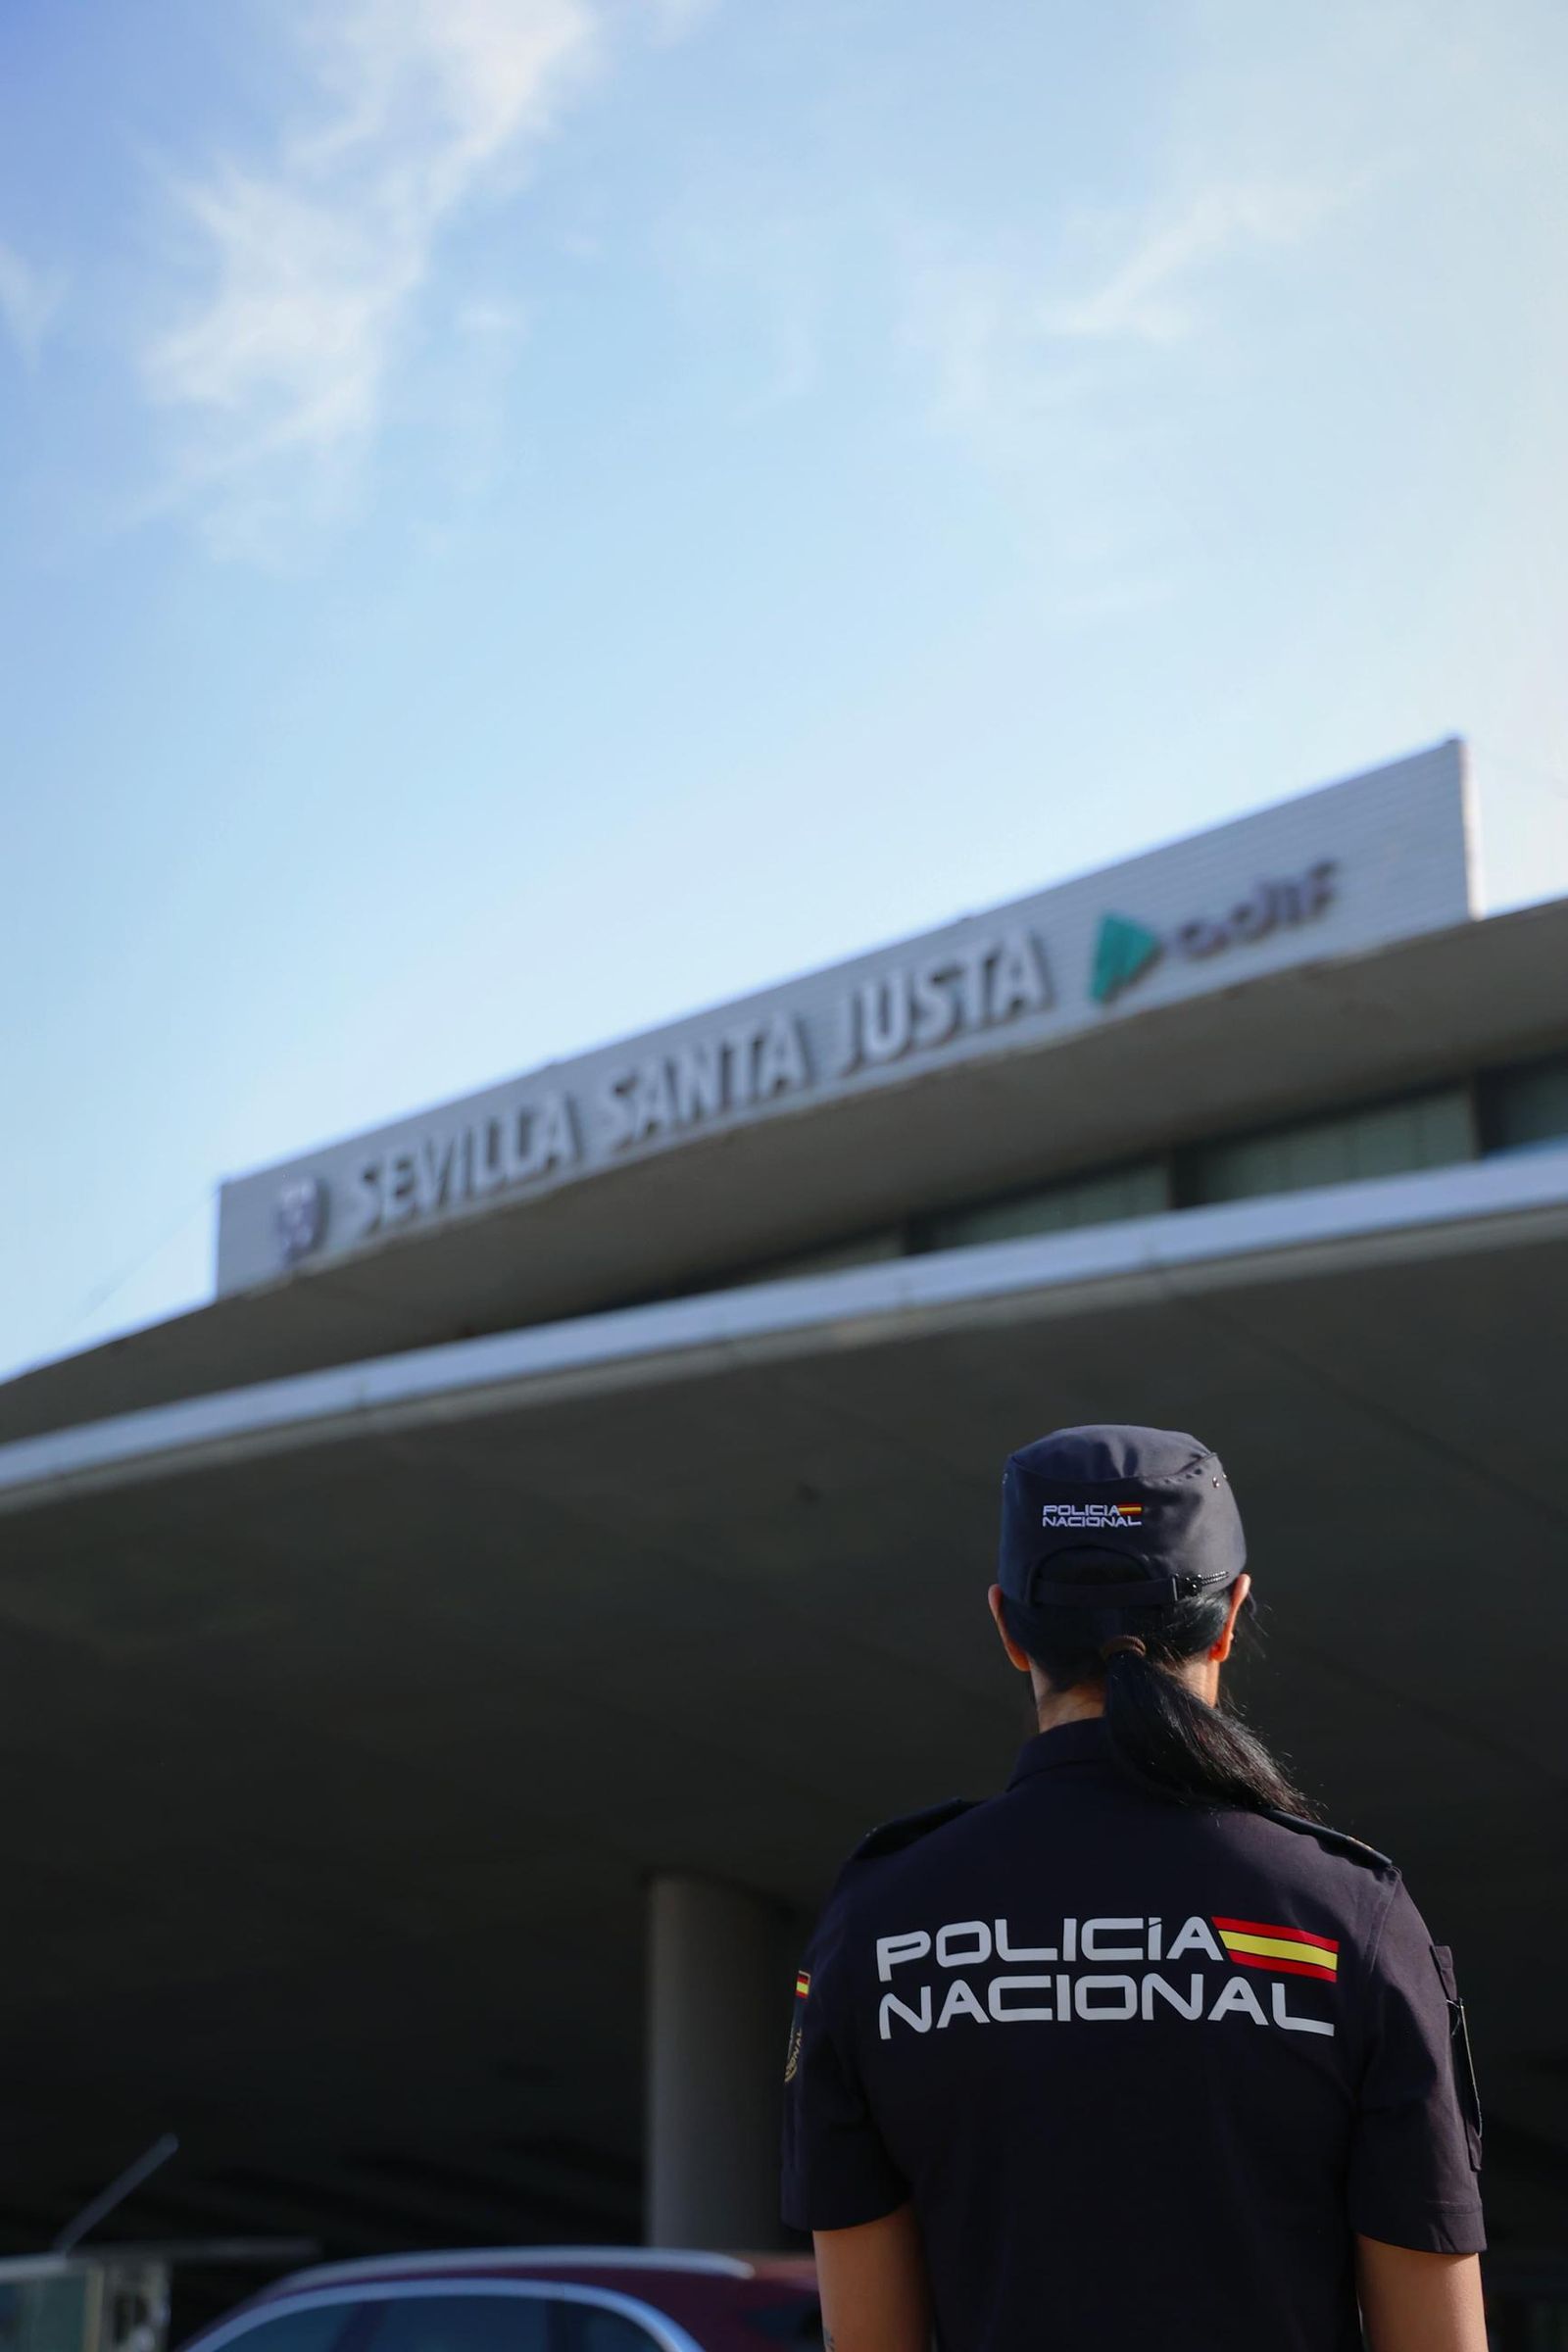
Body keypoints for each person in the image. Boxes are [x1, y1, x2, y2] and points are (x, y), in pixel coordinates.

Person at [781, 1425, 1486, 2352]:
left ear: (1007, 1627)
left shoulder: (880, 1924)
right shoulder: (1344, 1916)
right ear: (1230, 1618)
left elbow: (868, 2337)